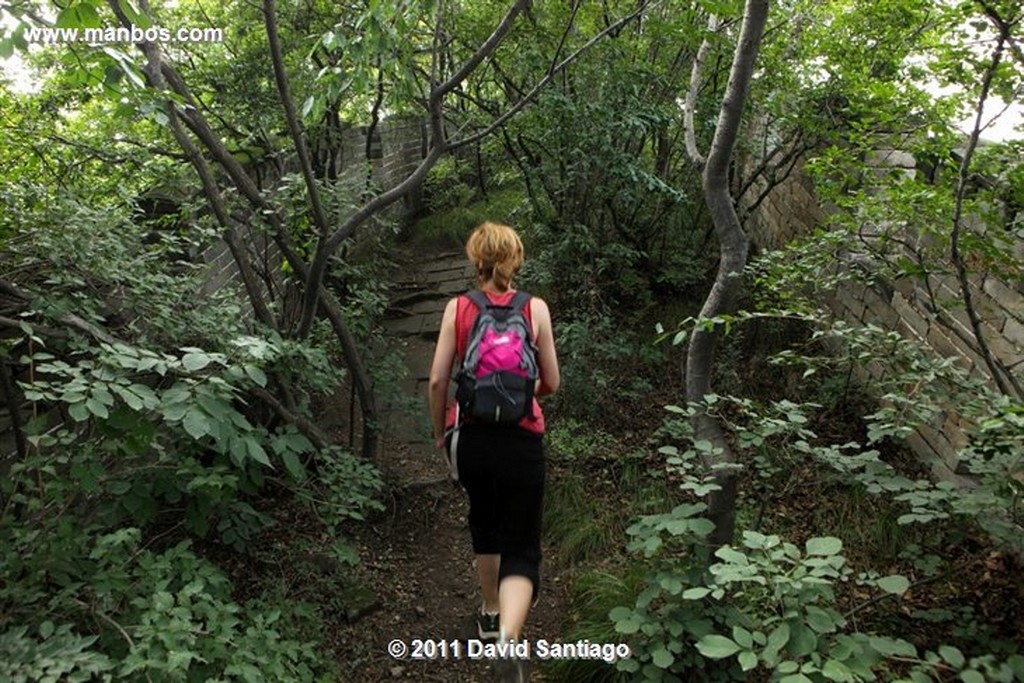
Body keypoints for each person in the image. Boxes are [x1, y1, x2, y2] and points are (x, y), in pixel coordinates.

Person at [428, 221, 560, 681]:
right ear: (516, 258)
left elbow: (438, 381)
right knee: (522, 546)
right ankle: (509, 638)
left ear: (476, 260)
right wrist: (520, 396)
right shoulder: (535, 308)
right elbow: (552, 382)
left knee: (483, 521)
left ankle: (488, 612)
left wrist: (440, 434)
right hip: (523, 440)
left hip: (471, 438)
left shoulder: (458, 308)